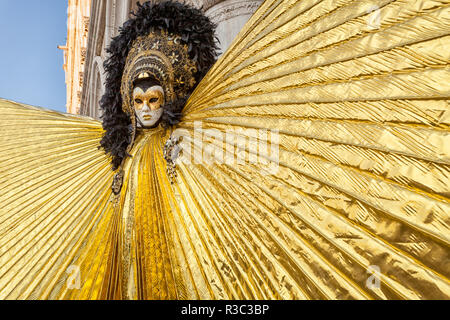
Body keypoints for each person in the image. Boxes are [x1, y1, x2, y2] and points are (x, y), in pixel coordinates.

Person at [0, 0, 448, 300]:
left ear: (170, 94)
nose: (147, 109)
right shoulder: (123, 155)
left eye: (155, 99)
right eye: (138, 103)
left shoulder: (195, 140)